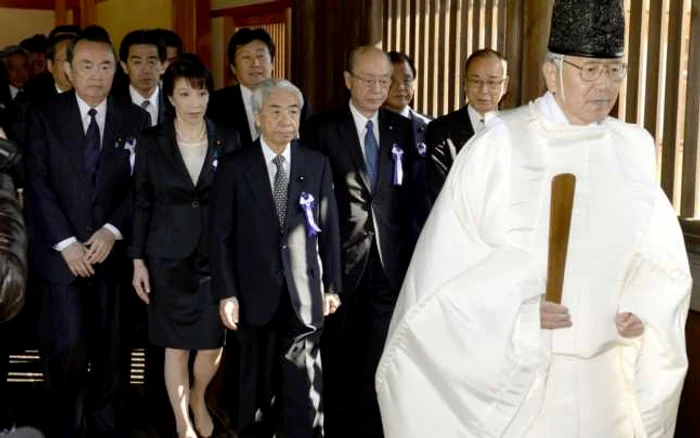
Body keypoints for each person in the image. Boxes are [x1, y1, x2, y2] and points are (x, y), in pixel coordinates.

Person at [375, 1, 691, 437]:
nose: (604, 86)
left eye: (614, 70)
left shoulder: (632, 147)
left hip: (609, 382)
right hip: (525, 379)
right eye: (589, 70)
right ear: (551, 73)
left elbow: (659, 260)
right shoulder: (500, 145)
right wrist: (517, 313)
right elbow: (446, 278)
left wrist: (644, 308)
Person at [24, 25, 150, 437]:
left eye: (105, 66)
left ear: (117, 70)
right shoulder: (44, 114)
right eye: (87, 66)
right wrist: (66, 243)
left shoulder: (136, 118)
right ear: (69, 70)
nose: (97, 75)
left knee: (113, 353)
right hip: (62, 258)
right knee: (68, 351)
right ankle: (65, 428)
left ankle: (106, 426)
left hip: (111, 256)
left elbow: (141, 187)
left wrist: (113, 230)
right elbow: (37, 182)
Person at [209, 78, 341, 438]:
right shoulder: (236, 166)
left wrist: (331, 286)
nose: (286, 119)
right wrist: (226, 292)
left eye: (293, 111)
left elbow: (328, 230)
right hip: (253, 293)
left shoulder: (316, 164)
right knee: (255, 386)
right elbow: (219, 236)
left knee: (306, 383)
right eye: (276, 111)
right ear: (257, 117)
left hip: (303, 290)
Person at [304, 46, 415, 438]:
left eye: (384, 80)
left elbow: (410, 202)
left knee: (379, 360)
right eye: (367, 80)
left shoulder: (402, 129)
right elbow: (309, 206)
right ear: (348, 80)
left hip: (389, 265)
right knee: (338, 360)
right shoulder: (321, 129)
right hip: (340, 264)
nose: (376, 88)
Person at [130, 54, 236, 438]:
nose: (195, 102)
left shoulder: (229, 137)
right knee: (174, 347)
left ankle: (198, 395)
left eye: (202, 93)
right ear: (170, 97)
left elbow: (235, 202)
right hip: (166, 256)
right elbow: (141, 200)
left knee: (211, 344)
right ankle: (182, 423)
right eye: (186, 93)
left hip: (214, 258)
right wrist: (138, 259)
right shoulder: (151, 141)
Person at [425, 48, 508, 202]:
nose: (484, 90)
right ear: (465, 84)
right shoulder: (441, 130)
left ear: (505, 85)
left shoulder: (516, 129)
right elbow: (439, 191)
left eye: (492, 82)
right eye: (476, 81)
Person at [207, 28, 310, 148]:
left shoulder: (294, 101)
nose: (255, 63)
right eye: (246, 57)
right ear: (233, 68)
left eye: (261, 56)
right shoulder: (215, 104)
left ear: (272, 63)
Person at [385, 51, 432, 230]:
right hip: (385, 230)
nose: (401, 87)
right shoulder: (370, 129)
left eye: (406, 80)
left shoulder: (431, 127)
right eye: (392, 80)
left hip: (423, 228)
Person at [116, 30, 168, 127]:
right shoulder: (113, 105)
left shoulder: (175, 104)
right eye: (137, 62)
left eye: (151, 62)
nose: (145, 70)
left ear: (163, 66)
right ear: (124, 67)